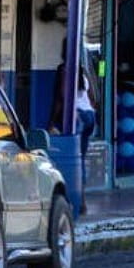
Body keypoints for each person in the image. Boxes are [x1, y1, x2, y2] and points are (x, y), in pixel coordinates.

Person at [49, 39, 98, 213]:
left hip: (76, 116)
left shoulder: (63, 69)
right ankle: (82, 201)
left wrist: (51, 121)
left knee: (71, 160)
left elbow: (62, 97)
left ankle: (77, 201)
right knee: (81, 159)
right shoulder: (82, 70)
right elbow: (92, 97)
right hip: (89, 115)